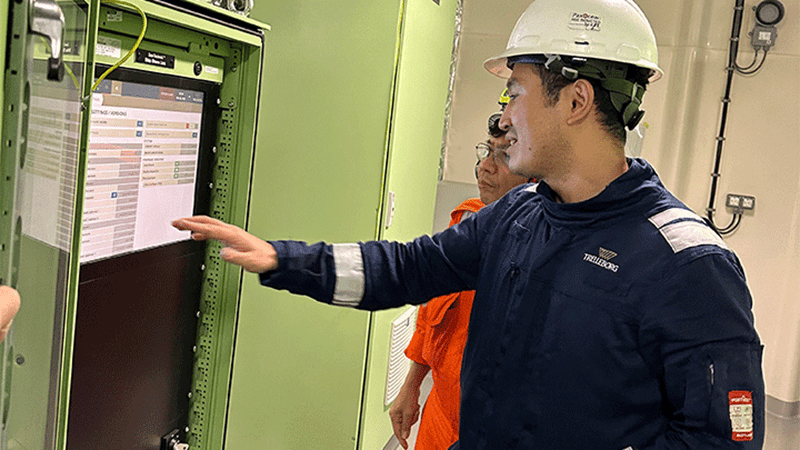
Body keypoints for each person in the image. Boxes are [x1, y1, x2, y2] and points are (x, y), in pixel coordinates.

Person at [173, 0, 765, 448]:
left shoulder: (688, 266)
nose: (504, 118)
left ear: (576, 101)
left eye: (514, 93)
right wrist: (284, 259)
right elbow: (408, 268)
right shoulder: (518, 215)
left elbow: (720, 440)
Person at [389, 112, 530, 450]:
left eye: (503, 156)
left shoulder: (543, 251)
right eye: (487, 151)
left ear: (533, 172)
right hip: (440, 418)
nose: (485, 167)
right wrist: (411, 385)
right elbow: (434, 312)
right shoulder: (466, 220)